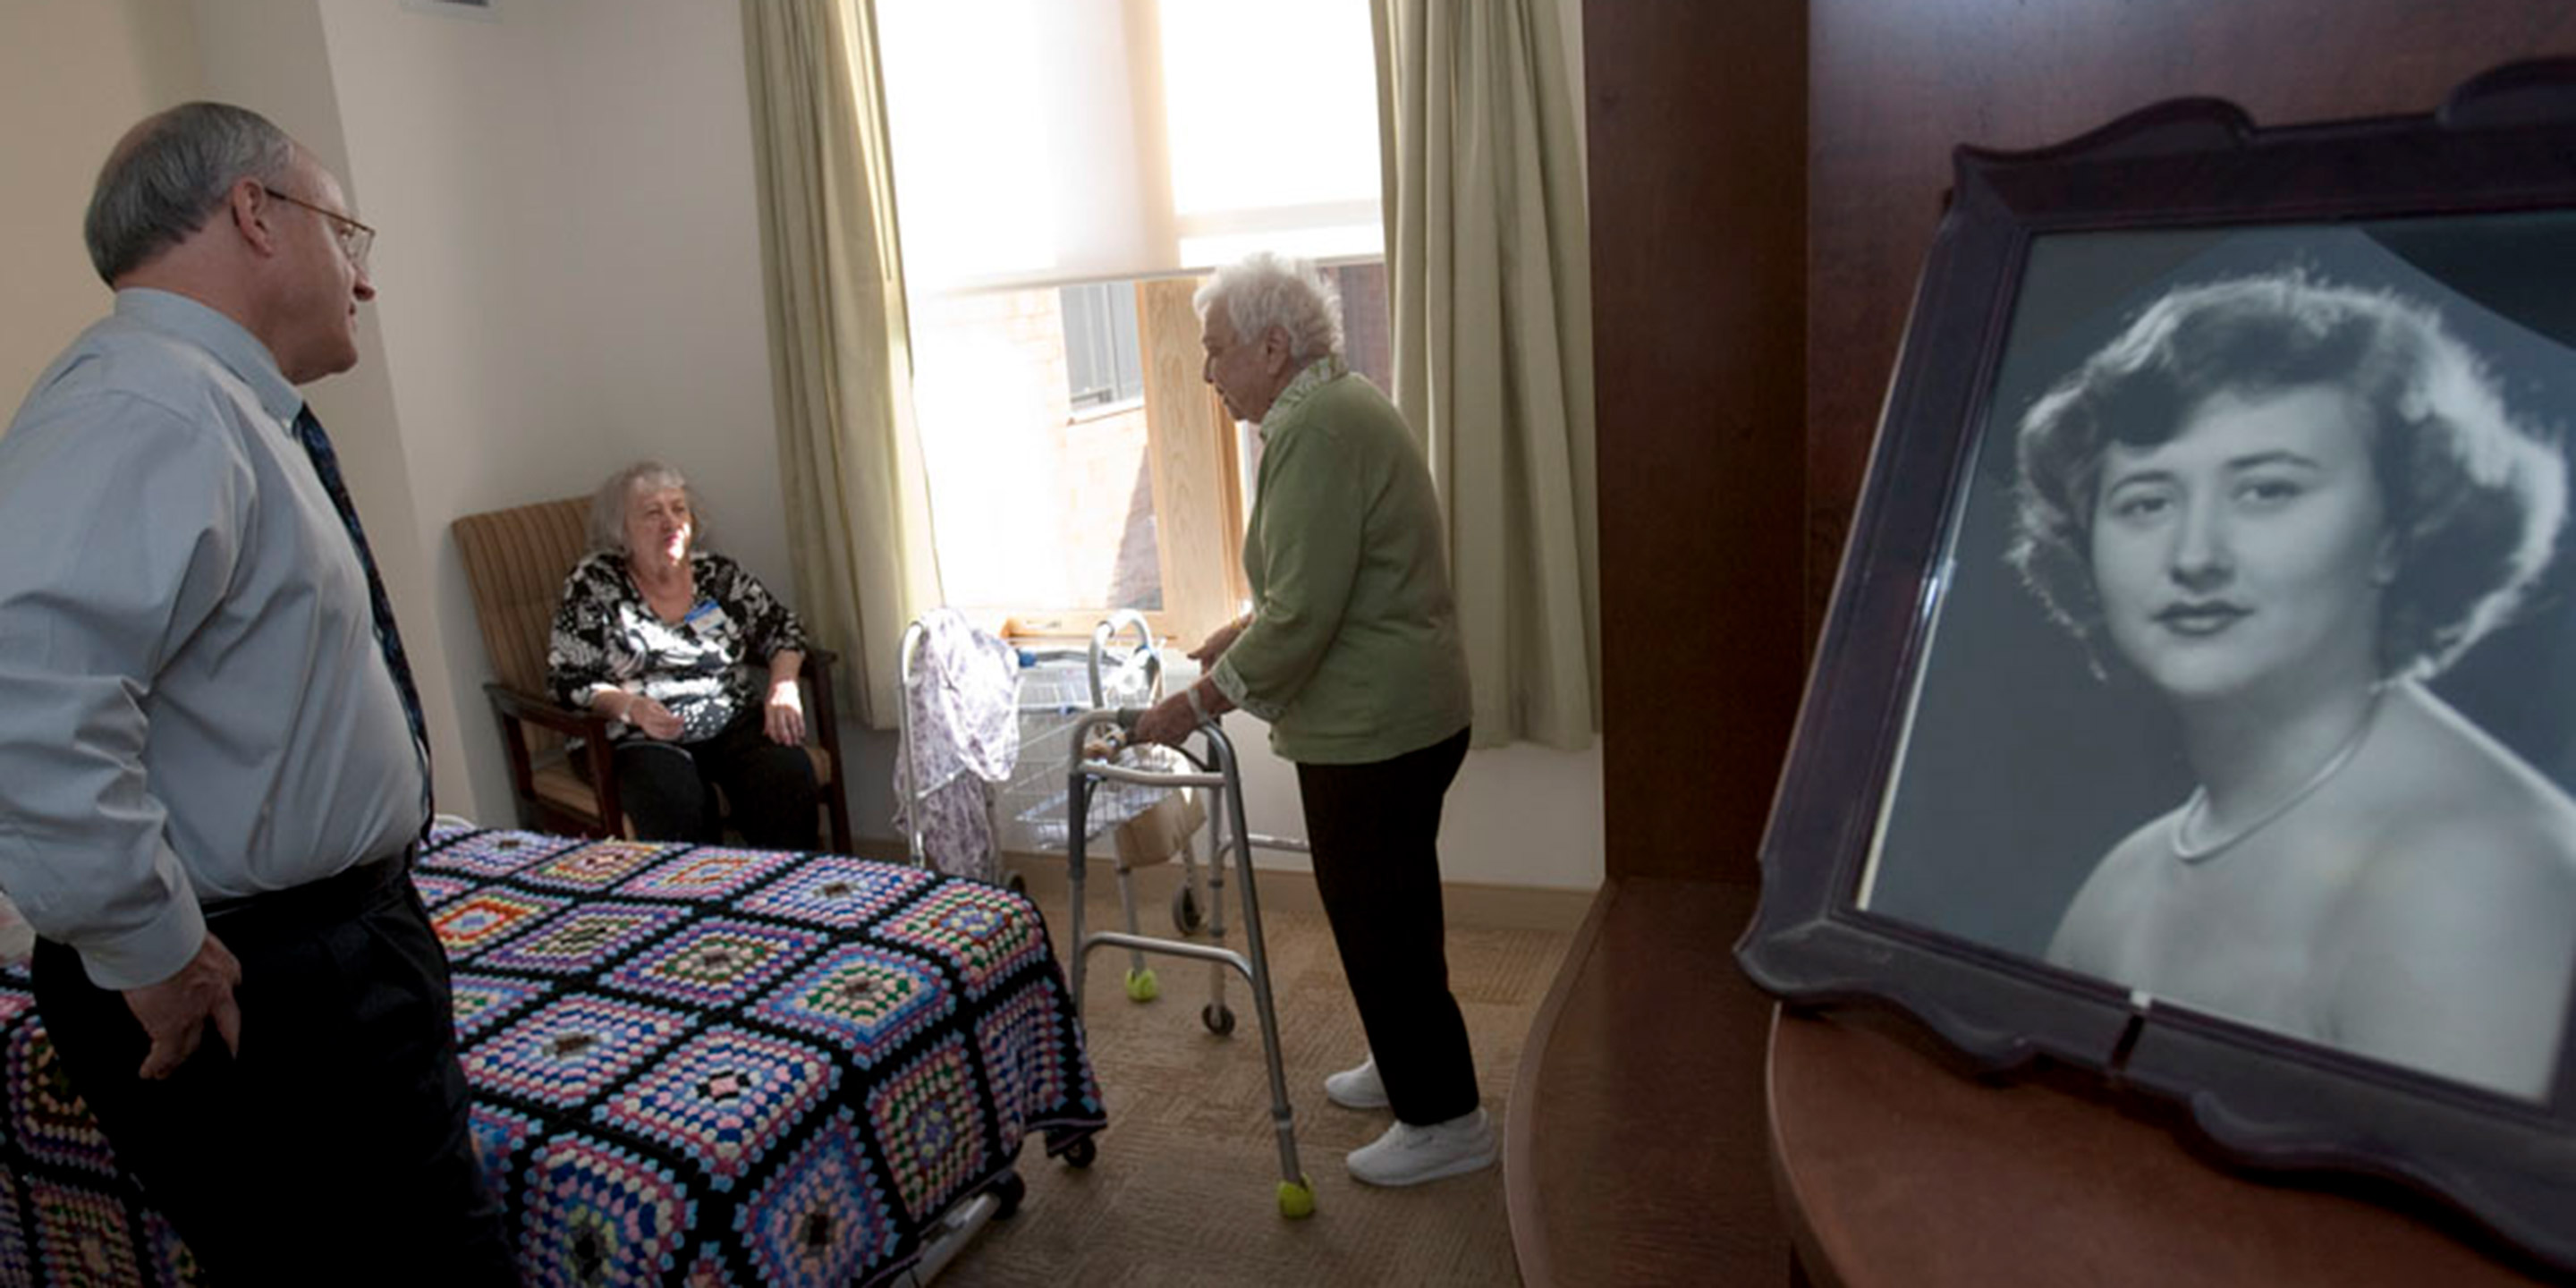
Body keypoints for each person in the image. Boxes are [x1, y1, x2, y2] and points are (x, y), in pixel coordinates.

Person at [0, 104, 513, 1280]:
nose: (362, 280)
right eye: (349, 233)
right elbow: (22, 704)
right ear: (254, 215)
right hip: (271, 975)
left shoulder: (215, 409)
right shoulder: (143, 408)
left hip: (330, 946)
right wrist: (154, 949)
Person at [2013, 267, 2576, 1099]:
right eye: (2145, 501)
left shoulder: (2480, 878)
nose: (2195, 555)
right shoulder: (2128, 878)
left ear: (2397, 529)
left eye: (2266, 490)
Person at [1131, 252, 1487, 1184]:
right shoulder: (1338, 408)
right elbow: (1326, 578)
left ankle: (1446, 1119)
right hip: (1403, 713)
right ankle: (1408, 1061)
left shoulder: (1318, 431)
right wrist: (1238, 630)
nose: (1207, 373)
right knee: (1390, 910)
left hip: (1380, 727)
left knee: (1381, 918)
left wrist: (1194, 703)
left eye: (1216, 351)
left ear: (1274, 346)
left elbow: (1306, 614)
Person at [547, 459, 820, 850]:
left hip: (729, 721)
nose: (671, 522)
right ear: (620, 530)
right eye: (652, 513)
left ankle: (788, 895)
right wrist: (630, 706)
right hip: (635, 735)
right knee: (673, 795)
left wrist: (783, 685)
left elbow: (784, 629)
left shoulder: (717, 575)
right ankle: (699, 901)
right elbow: (567, 679)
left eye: (678, 508)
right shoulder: (595, 583)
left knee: (785, 773)